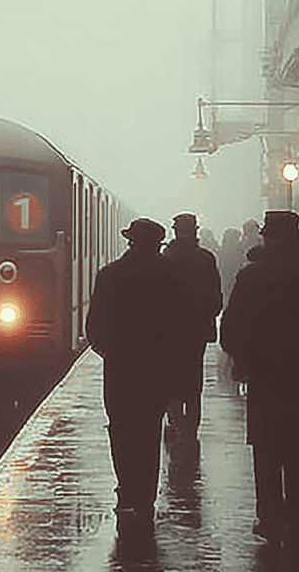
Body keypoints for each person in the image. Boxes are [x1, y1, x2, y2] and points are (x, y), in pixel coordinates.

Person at [220, 210, 299, 549]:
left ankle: (270, 516)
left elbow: (231, 330)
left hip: (266, 377)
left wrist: (242, 360)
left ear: (265, 237)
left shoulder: (252, 277)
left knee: (267, 449)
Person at [86, 218, 192, 538]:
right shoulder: (172, 276)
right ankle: (145, 497)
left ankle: (126, 490)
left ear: (129, 241)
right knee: (149, 431)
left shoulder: (110, 275)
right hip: (157, 368)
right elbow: (181, 326)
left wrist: (111, 352)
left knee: (120, 429)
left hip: (120, 367)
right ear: (158, 244)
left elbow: (94, 327)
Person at [162, 213, 223, 441]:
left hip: (169, 328)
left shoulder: (166, 258)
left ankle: (175, 415)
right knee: (194, 372)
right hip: (197, 328)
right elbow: (216, 297)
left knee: (170, 372)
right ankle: (192, 421)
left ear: (175, 231)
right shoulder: (206, 259)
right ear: (195, 231)